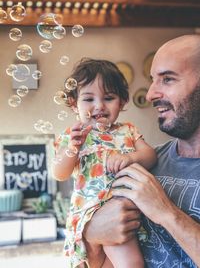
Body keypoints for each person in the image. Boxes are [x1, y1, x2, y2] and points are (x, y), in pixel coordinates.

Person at [83, 35, 200, 268]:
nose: (150, 94)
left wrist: (167, 213)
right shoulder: (143, 163)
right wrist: (92, 237)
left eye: (167, 79)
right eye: (153, 80)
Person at [53, 58, 157, 268]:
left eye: (109, 97)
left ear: (122, 101)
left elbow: (150, 156)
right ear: (74, 104)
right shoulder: (74, 135)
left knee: (131, 263)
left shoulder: (127, 130)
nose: (99, 105)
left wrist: (130, 158)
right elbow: (59, 173)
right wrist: (73, 148)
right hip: (87, 215)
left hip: (121, 212)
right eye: (89, 99)